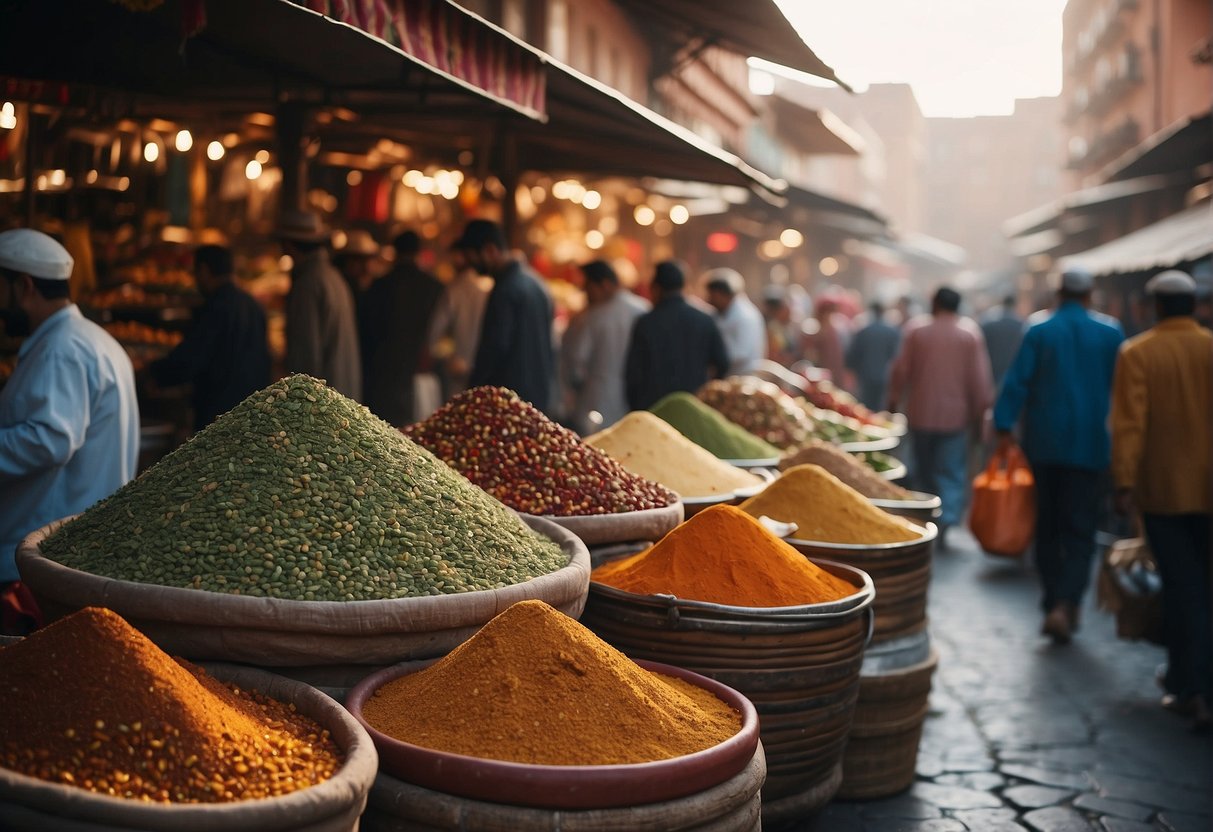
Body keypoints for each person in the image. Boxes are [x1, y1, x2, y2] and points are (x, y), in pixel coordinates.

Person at [0, 228, 139, 587]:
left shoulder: (61, 350)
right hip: (75, 549)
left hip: (45, 555)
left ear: (25, 287)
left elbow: (49, 440)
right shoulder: (91, 339)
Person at [993, 268, 1124, 644]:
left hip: (1044, 445)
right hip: (1091, 446)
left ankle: (1053, 601)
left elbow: (1016, 382)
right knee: (1081, 529)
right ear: (1090, 295)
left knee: (1047, 526)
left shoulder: (1039, 330)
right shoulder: (1111, 333)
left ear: (1058, 294)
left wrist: (1004, 427)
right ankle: (1067, 603)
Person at [1110, 270, 1211, 730]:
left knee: (1183, 587)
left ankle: (1189, 686)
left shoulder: (1138, 353)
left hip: (1165, 490)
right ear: (1195, 305)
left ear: (1151, 307)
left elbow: (1130, 426)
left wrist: (1124, 483)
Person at [888, 287, 994, 547]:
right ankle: (945, 520)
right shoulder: (969, 334)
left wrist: (892, 401)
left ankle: (925, 518)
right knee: (950, 471)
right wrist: (982, 414)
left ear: (934, 304)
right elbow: (979, 381)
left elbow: (901, 370)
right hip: (955, 419)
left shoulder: (916, 331)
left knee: (923, 470)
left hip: (920, 413)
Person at [148, 245, 270, 431]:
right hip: (252, 410)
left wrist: (155, 374)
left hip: (219, 412)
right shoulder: (253, 305)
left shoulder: (214, 307)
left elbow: (191, 357)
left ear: (204, 271)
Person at [459, 219, 555, 411]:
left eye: (471, 257)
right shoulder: (537, 283)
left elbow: (494, 347)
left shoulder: (505, 289)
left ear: (490, 250)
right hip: (536, 398)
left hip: (507, 403)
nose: (470, 265)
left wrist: (472, 393)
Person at [361, 230, 444, 427]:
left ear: (394, 253)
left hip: (383, 377)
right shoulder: (434, 287)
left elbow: (366, 335)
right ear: (419, 253)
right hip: (421, 374)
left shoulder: (379, 286)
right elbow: (441, 337)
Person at [626, 261, 730, 410]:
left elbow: (633, 374)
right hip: (693, 406)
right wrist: (706, 394)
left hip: (654, 408)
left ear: (656, 288)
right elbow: (723, 363)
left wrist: (637, 407)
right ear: (684, 286)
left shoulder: (646, 323)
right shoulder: (704, 319)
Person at [280, 210, 361, 400]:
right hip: (339, 391)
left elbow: (305, 354)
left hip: (324, 399)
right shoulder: (331, 275)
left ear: (289, 245)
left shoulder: (308, 283)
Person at [563, 260, 650, 435]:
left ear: (605, 285)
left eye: (588, 286)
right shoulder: (643, 309)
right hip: (633, 400)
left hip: (596, 399)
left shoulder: (591, 317)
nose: (586, 293)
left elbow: (576, 361)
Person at [428, 245, 490, 400]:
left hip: (458, 370)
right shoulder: (491, 287)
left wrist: (448, 357)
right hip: (486, 369)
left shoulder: (454, 289)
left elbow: (434, 334)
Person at [704, 268, 764, 376]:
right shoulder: (720, 312)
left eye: (713, 295)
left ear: (722, 294)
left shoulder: (745, 316)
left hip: (744, 375)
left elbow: (741, 353)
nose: (709, 299)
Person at [845, 300, 901, 411]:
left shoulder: (864, 331)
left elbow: (852, 356)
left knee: (865, 409)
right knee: (880, 410)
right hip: (884, 377)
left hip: (866, 376)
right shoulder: (892, 332)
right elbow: (897, 357)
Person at [981, 294, 1025, 392]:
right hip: (1014, 378)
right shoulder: (1022, 325)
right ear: (1015, 305)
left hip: (992, 376)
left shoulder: (988, 324)